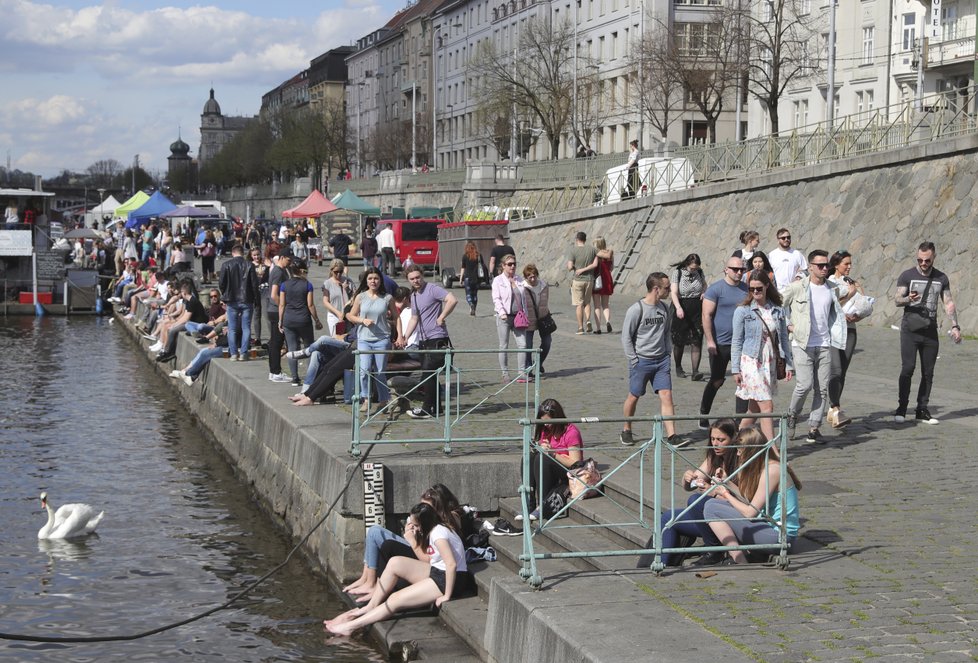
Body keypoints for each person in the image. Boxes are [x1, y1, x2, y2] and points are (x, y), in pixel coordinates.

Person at [323, 502, 473, 636]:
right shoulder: (436, 528)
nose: (413, 528)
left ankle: (351, 626)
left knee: (395, 599)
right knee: (395, 562)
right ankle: (367, 608)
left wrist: (446, 596)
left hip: (449, 580)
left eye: (415, 525)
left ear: (423, 523)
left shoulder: (438, 534)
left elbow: (451, 564)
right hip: (437, 571)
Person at [343, 484, 464, 598]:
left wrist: (413, 540)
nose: (422, 510)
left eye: (426, 508)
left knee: (386, 544)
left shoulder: (442, 526)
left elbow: (430, 557)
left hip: (425, 559)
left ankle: (373, 583)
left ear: (437, 508)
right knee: (374, 531)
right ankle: (367, 578)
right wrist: (414, 529)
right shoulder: (431, 522)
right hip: (420, 547)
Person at [703, 427, 802, 565]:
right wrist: (727, 482)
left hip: (780, 536)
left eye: (739, 450)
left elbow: (750, 512)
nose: (737, 454)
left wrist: (725, 494)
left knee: (711, 508)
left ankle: (740, 560)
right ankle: (743, 556)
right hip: (767, 527)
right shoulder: (767, 465)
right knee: (713, 505)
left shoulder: (772, 470)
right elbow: (750, 502)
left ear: (751, 451)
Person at [649, 418, 740, 568]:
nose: (715, 444)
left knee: (695, 500)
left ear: (733, 439)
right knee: (668, 518)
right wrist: (688, 478)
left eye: (721, 440)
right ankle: (662, 564)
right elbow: (692, 483)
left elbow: (745, 501)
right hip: (712, 517)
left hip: (732, 517)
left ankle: (714, 550)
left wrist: (714, 494)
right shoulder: (714, 457)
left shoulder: (740, 460)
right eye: (712, 439)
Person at [783, 249, 847, 445]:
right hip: (802, 343)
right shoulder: (797, 287)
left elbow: (839, 306)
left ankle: (814, 427)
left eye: (826, 265)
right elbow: (779, 306)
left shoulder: (832, 288)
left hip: (824, 343)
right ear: (810, 267)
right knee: (805, 385)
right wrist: (788, 324)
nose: (824, 268)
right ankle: (791, 416)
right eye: (820, 265)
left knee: (822, 389)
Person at [893, 241, 961, 424]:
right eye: (920, 260)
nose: (923, 264)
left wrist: (955, 325)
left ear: (933, 258)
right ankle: (901, 407)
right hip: (910, 329)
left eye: (927, 261)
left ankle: (922, 409)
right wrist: (908, 298)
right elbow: (897, 300)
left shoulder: (941, 278)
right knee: (908, 368)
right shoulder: (907, 275)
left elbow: (948, 303)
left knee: (928, 372)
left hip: (930, 330)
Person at [620, 272, 689, 447]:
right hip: (641, 361)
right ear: (656, 289)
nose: (669, 290)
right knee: (634, 396)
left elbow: (666, 333)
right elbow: (626, 337)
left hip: (661, 361)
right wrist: (634, 360)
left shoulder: (665, 308)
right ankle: (626, 429)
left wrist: (667, 353)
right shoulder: (636, 309)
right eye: (667, 288)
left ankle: (672, 435)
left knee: (667, 395)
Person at [731, 269, 794, 442]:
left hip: (770, 360)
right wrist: (735, 369)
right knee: (767, 405)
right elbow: (736, 341)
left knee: (754, 409)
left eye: (759, 288)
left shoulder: (776, 310)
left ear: (767, 286)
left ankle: (735, 440)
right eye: (752, 289)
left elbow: (782, 339)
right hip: (751, 360)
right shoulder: (743, 311)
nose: (755, 292)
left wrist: (788, 363)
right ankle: (772, 450)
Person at [397, 265, 458, 419]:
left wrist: (442, 317)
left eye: (418, 277)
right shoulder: (414, 295)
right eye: (412, 279)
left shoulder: (432, 289)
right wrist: (405, 336)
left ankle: (425, 409)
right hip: (423, 340)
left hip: (437, 338)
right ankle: (437, 408)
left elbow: (452, 300)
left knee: (427, 374)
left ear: (422, 275)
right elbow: (414, 318)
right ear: (408, 280)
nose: (416, 281)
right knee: (431, 375)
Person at [699, 257, 749, 429]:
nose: (739, 272)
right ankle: (703, 414)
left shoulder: (747, 289)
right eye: (735, 269)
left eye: (742, 269)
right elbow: (706, 316)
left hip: (741, 345)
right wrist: (710, 341)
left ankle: (740, 421)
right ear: (725, 269)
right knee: (717, 380)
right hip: (720, 344)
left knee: (743, 381)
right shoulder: (715, 289)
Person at [517, 399, 584, 522]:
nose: (546, 425)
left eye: (549, 422)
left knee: (543, 458)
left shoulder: (571, 432)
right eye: (543, 422)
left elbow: (575, 462)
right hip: (551, 468)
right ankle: (529, 502)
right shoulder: (546, 429)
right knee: (530, 456)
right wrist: (538, 447)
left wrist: (553, 453)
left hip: (568, 471)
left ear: (557, 417)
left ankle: (543, 504)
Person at [347, 267, 398, 413]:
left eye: (376, 278)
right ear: (366, 281)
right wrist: (362, 320)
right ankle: (366, 399)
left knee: (380, 371)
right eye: (370, 279)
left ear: (380, 280)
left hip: (382, 339)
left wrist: (400, 336)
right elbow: (350, 316)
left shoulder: (387, 297)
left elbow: (396, 317)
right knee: (364, 370)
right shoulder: (361, 297)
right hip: (364, 339)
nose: (373, 281)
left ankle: (384, 400)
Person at [826, 250, 863, 428]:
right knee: (836, 370)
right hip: (834, 330)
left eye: (850, 263)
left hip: (850, 330)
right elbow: (829, 307)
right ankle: (836, 408)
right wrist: (848, 295)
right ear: (836, 265)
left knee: (843, 371)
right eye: (845, 263)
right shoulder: (829, 282)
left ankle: (834, 409)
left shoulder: (853, 282)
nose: (849, 266)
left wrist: (859, 315)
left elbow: (864, 304)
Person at [279, 259, 323, 387]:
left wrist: (280, 321)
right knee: (309, 348)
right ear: (302, 271)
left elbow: (282, 305)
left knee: (292, 348)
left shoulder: (284, 285)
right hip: (304, 320)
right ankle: (310, 377)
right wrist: (317, 320)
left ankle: (295, 378)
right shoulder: (307, 285)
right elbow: (310, 305)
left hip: (288, 319)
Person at [218, 243, 260, 361]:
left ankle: (233, 353)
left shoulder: (226, 265)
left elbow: (221, 283)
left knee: (232, 328)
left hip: (231, 300)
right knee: (246, 327)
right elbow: (254, 285)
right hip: (247, 300)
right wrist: (256, 301)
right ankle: (244, 353)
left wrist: (225, 294)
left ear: (233, 253)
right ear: (243, 253)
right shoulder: (249, 265)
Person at [491, 254, 530, 382]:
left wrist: (514, 284)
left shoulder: (519, 280)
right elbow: (496, 298)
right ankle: (505, 373)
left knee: (523, 344)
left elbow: (522, 298)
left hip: (518, 317)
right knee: (504, 345)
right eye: (509, 264)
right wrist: (502, 313)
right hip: (504, 317)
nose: (512, 266)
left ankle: (521, 372)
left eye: (514, 264)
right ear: (503, 266)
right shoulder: (498, 280)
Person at [669, 253, 707, 380]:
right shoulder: (678, 273)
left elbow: (705, 284)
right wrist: (678, 307)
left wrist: (703, 292)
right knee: (679, 341)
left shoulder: (700, 272)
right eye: (692, 268)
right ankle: (678, 367)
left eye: (696, 268)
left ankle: (695, 371)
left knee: (697, 340)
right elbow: (673, 293)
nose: (694, 270)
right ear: (687, 264)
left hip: (697, 307)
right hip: (682, 306)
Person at [266, 246, 292, 383]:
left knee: (275, 342)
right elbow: (274, 295)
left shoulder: (281, 270)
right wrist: (285, 307)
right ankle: (275, 372)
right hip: (276, 311)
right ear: (282, 258)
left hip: (275, 310)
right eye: (288, 259)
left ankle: (274, 371)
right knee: (277, 342)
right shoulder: (278, 272)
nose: (290, 262)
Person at [522, 263, 553, 376]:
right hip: (528, 320)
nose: (533, 278)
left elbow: (546, 301)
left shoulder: (544, 286)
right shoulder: (523, 287)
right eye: (530, 276)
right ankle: (529, 368)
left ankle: (539, 362)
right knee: (527, 345)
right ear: (526, 277)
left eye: (534, 275)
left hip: (543, 319)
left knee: (547, 342)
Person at [567, 231, 597, 334]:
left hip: (578, 280)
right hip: (589, 280)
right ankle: (588, 321)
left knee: (579, 304)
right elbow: (596, 262)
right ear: (585, 239)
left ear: (577, 239)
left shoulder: (573, 250)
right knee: (587, 302)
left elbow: (570, 267)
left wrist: (572, 267)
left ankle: (580, 327)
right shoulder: (592, 249)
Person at [589, 236, 615, 334]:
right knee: (605, 305)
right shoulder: (610, 253)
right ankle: (608, 321)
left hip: (597, 280)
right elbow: (611, 267)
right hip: (607, 279)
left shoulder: (595, 254)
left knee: (597, 306)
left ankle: (598, 328)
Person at [768, 228, 807, 292]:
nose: (786, 239)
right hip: (777, 292)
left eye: (788, 237)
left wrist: (799, 277)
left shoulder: (797, 254)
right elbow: (768, 273)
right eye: (783, 238)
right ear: (778, 240)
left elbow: (804, 270)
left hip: (794, 291)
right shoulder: (772, 255)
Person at [322, 258, 355, 336]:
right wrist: (338, 313)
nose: (338, 274)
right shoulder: (327, 283)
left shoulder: (348, 281)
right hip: (335, 316)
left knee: (347, 340)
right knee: (337, 339)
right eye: (336, 272)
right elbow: (325, 302)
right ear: (331, 271)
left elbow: (355, 297)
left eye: (340, 271)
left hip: (348, 316)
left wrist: (348, 290)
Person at [458, 241, 484, 316]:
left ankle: (471, 304)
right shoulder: (479, 256)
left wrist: (460, 279)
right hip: (476, 278)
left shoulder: (465, 256)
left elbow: (463, 268)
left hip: (467, 278)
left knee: (468, 294)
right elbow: (482, 265)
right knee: (475, 294)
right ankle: (474, 309)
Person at [249, 247, 267, 346]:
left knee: (267, 315)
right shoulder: (250, 265)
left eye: (258, 254)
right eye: (254, 255)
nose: (256, 257)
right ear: (251, 256)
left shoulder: (265, 264)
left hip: (265, 292)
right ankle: (257, 337)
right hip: (254, 293)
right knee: (256, 316)